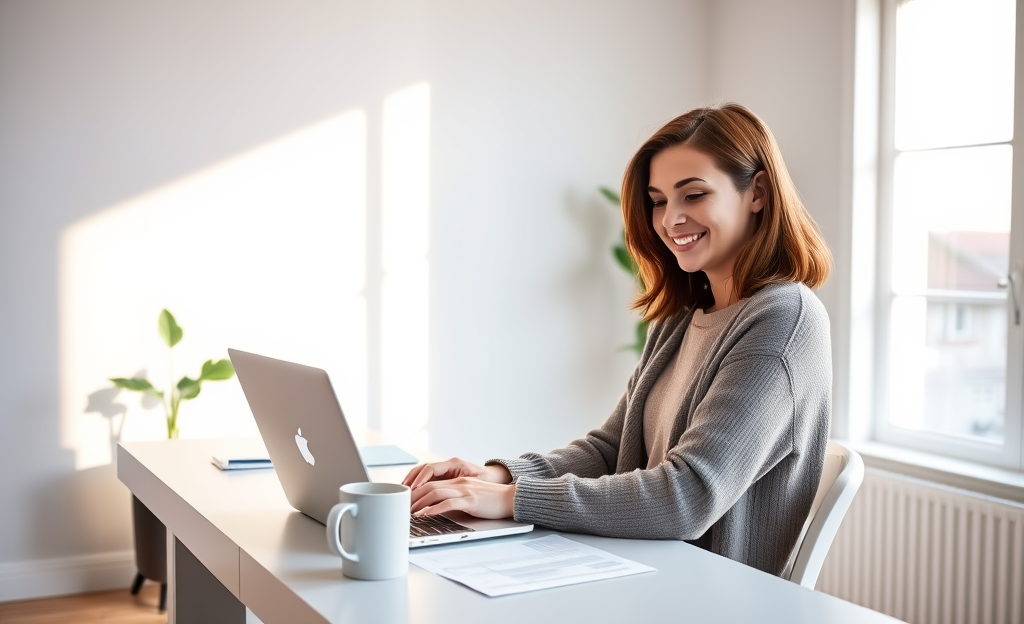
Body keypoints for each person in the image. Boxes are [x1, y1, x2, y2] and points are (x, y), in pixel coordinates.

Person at [402, 103, 833, 577]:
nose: (671, 220)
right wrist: (499, 476)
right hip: (639, 571)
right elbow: (611, 449)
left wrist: (513, 500)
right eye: (659, 201)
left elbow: (686, 497)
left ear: (758, 192)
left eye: (693, 195)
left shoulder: (784, 320)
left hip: (708, 596)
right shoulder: (683, 316)